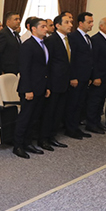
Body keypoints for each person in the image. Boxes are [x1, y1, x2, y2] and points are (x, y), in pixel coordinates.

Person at [12, 18, 50, 159]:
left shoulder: (43, 44)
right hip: (29, 88)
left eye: (46, 26)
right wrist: (27, 89)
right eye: (43, 26)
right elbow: (25, 69)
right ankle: (18, 146)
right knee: (25, 118)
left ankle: (27, 143)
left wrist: (46, 86)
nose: (46, 29)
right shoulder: (28, 45)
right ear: (33, 29)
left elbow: (44, 68)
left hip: (40, 87)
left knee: (34, 118)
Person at [39, 14, 72, 150]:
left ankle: (52, 136)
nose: (70, 25)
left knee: (58, 112)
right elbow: (47, 63)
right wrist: (47, 84)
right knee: (49, 112)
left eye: (71, 22)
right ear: (58, 25)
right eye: (67, 22)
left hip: (64, 82)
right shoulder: (51, 40)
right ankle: (43, 138)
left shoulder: (67, 39)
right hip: (53, 83)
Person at [65, 12, 95, 139]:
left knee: (80, 103)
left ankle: (76, 127)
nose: (91, 24)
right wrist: (73, 77)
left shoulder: (88, 38)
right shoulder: (73, 37)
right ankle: (70, 129)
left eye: (92, 22)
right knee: (73, 103)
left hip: (85, 77)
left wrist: (90, 76)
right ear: (81, 23)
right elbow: (72, 59)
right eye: (89, 22)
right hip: (76, 77)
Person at [85, 18, 106, 134]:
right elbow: (93, 60)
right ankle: (91, 124)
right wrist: (95, 76)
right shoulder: (96, 40)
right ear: (101, 26)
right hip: (99, 77)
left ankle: (97, 122)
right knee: (94, 101)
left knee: (101, 101)